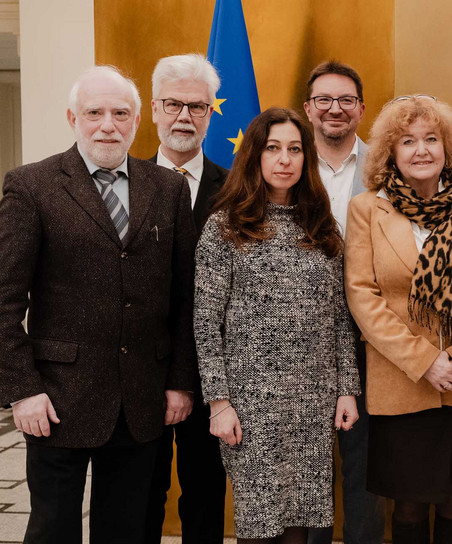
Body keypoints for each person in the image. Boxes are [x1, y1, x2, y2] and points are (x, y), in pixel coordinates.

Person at [0, 65, 198, 543]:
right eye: (94, 113)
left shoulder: (168, 188)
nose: (108, 125)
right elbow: (4, 300)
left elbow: (184, 297)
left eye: (120, 113)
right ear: (73, 118)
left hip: (141, 399)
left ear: (137, 121)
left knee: (127, 532)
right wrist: (22, 390)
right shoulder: (32, 185)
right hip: (55, 400)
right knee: (53, 530)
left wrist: (179, 382)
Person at [344, 95, 452, 544]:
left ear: (447, 147)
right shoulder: (367, 208)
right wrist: (424, 361)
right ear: (390, 153)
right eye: (408, 141)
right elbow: (362, 295)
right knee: (409, 504)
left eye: (431, 139)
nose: (421, 150)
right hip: (402, 382)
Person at [194, 107, 361, 544]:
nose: (284, 159)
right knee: (260, 524)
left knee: (302, 525)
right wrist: (219, 403)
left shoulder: (323, 228)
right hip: (250, 404)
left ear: (306, 158)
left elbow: (340, 318)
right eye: (273, 148)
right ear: (255, 155)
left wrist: (347, 389)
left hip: (313, 402)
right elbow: (206, 324)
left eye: (294, 149)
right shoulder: (225, 227)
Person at [145, 52, 228, 544]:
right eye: (174, 104)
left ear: (210, 113)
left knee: (204, 496)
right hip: (141, 370)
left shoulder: (239, 189)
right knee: (140, 495)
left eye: (197, 107)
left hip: (214, 373)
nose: (184, 117)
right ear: (154, 108)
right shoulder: (123, 183)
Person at [301, 61, 385, 544]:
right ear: (308, 108)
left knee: (366, 469)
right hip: (304, 341)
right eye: (325, 99)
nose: (335, 108)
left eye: (346, 100)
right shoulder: (285, 167)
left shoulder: (386, 169)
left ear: (361, 109)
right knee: (309, 469)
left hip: (372, 338)